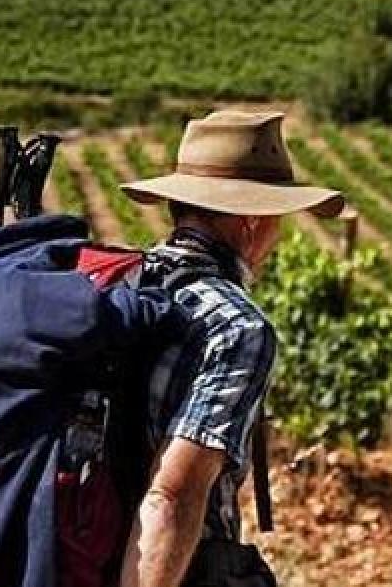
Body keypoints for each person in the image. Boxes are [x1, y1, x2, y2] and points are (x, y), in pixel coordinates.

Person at [117, 109, 344, 587]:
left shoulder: (117, 289)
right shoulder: (237, 327)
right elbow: (172, 497)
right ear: (252, 222)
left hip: (74, 553)